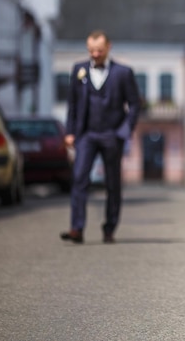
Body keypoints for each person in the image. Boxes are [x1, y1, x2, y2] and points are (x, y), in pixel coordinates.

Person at [60, 30, 141, 244]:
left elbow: (134, 105)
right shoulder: (79, 70)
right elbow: (73, 104)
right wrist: (70, 132)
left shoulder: (123, 73)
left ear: (108, 48)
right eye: (91, 50)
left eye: (99, 50)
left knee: (113, 184)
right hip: (86, 134)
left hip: (112, 135)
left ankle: (109, 228)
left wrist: (124, 131)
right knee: (79, 178)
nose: (95, 54)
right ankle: (76, 228)